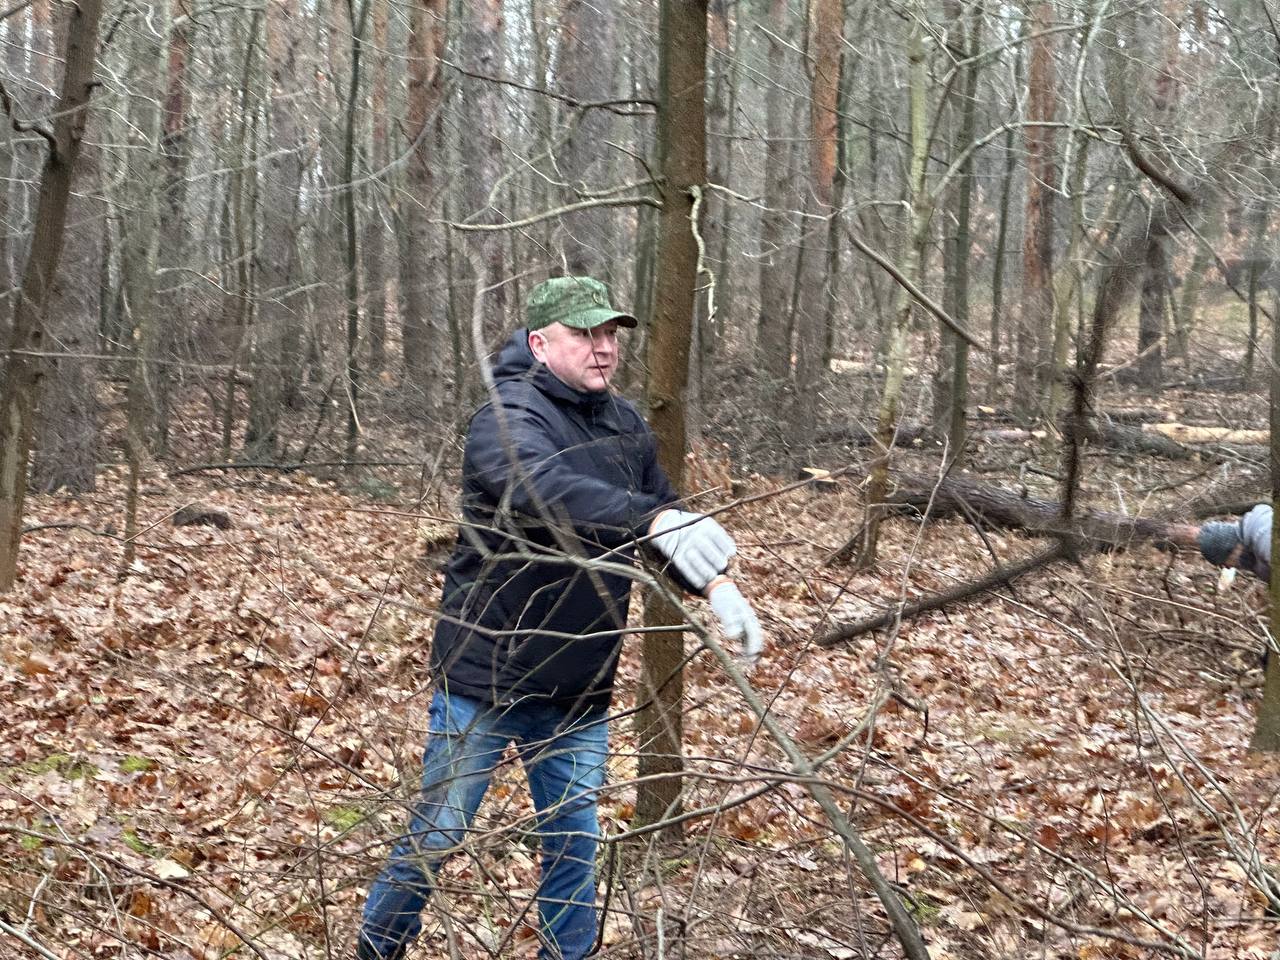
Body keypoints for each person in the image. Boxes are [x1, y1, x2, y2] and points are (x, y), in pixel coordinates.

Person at [356, 276, 764, 960]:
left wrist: (715, 584)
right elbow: (540, 489)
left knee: (574, 840)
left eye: (609, 335)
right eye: (585, 335)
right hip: (488, 677)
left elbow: (655, 525)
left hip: (579, 684)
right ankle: (379, 947)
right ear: (541, 343)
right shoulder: (506, 416)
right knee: (438, 834)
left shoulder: (626, 424)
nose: (603, 349)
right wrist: (653, 517)